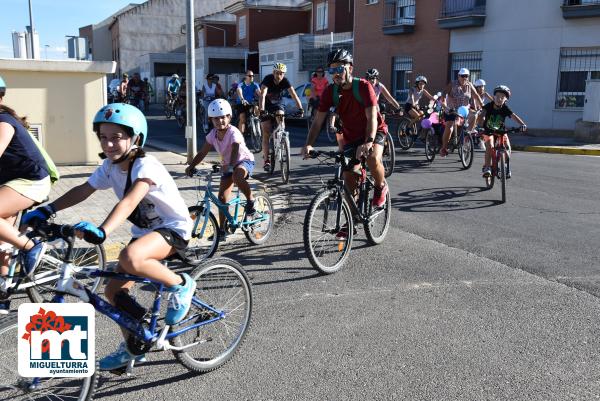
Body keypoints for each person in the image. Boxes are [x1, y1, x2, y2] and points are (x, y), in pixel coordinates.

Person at [21, 103, 195, 369]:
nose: (109, 143)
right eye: (103, 137)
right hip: (146, 234)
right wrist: (48, 209)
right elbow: (83, 189)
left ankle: (181, 284)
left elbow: (128, 202)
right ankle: (134, 346)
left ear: (135, 138)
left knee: (131, 256)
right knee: (112, 292)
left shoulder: (146, 166)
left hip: (173, 229)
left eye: (116, 137)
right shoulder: (110, 166)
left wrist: (103, 230)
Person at [302, 49, 389, 213]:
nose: (335, 74)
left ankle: (380, 186)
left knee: (371, 158)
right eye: (332, 70)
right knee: (348, 176)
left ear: (350, 68)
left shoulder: (363, 86)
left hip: (374, 131)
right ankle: (352, 220)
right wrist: (308, 144)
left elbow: (372, 117)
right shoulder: (330, 91)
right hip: (352, 136)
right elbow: (317, 122)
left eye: (339, 68)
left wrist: (369, 141)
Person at [0, 75, 53, 314]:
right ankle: (3, 293)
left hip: (31, 182)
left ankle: (31, 247)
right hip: (13, 183)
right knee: (2, 241)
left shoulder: (3, 122)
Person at [185, 99, 256, 241]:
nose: (220, 121)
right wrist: (191, 166)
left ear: (229, 117)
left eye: (223, 117)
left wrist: (230, 165)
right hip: (227, 165)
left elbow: (235, 148)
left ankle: (250, 200)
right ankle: (222, 230)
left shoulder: (233, 132)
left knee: (237, 176)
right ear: (211, 120)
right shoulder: (212, 134)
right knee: (222, 198)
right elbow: (202, 152)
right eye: (216, 118)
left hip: (243, 161)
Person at [259, 63, 303, 171]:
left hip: (278, 103)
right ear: (273, 73)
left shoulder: (285, 81)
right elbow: (262, 95)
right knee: (266, 132)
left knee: (280, 115)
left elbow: (294, 95)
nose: (279, 76)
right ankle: (266, 160)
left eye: (282, 73)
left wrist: (300, 109)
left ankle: (281, 136)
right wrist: (262, 110)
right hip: (267, 105)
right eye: (277, 73)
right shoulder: (267, 79)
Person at [477, 85, 526, 179]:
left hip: (501, 132)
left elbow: (513, 116)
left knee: (507, 147)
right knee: (490, 146)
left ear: (506, 99)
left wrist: (522, 124)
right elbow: (482, 115)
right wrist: (481, 124)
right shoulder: (489, 106)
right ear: (494, 96)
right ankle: (487, 167)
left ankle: (506, 165)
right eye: (497, 96)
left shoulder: (505, 108)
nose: (499, 98)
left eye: (502, 97)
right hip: (488, 131)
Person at [439, 68, 483, 157]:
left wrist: (483, 106)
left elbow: (476, 96)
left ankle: (467, 136)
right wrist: (444, 104)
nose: (464, 78)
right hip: (451, 110)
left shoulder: (469, 85)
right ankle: (444, 148)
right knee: (450, 127)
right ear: (458, 76)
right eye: (462, 76)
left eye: (466, 76)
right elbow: (443, 94)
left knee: (474, 115)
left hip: (464, 110)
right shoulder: (452, 84)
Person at [235, 70, 261, 135]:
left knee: (257, 108)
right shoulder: (241, 84)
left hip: (250, 103)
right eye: (249, 76)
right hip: (241, 103)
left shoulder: (255, 84)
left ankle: (256, 122)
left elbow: (259, 93)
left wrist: (263, 97)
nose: (251, 77)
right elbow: (239, 90)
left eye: (253, 76)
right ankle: (240, 137)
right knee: (243, 118)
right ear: (245, 76)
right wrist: (242, 99)